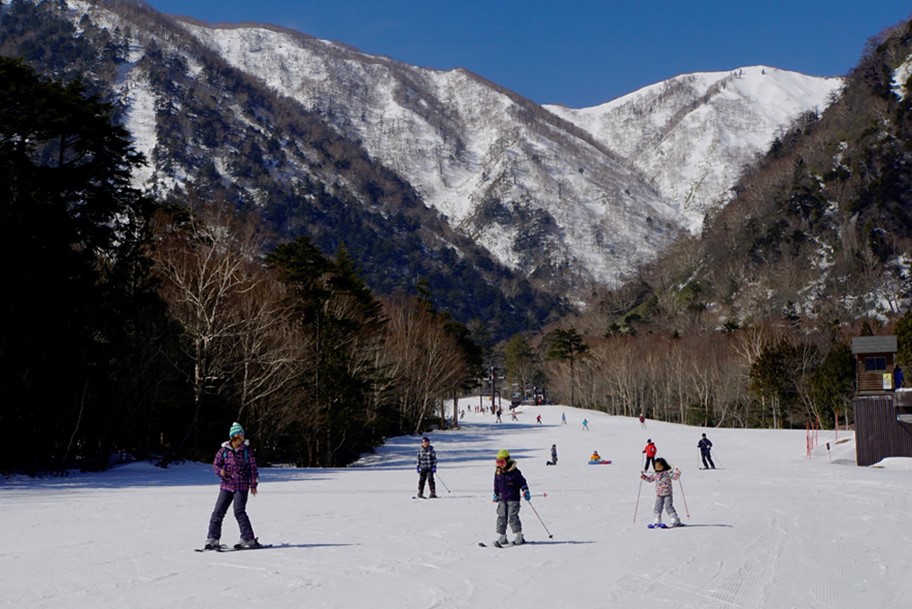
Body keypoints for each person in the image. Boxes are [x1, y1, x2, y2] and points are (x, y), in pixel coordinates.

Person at [205, 422, 260, 550]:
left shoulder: (247, 452)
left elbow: (253, 469)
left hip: (241, 486)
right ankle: (212, 539)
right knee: (218, 512)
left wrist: (253, 485)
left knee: (239, 512)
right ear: (232, 436)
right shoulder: (224, 451)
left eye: (241, 435)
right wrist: (220, 472)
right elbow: (216, 465)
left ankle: (248, 538)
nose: (240, 437)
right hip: (226, 486)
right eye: (237, 435)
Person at [492, 449, 531, 546]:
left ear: (507, 461)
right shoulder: (498, 472)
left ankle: (518, 536)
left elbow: (522, 482)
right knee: (501, 517)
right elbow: (496, 484)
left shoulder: (514, 472)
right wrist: (495, 494)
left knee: (512, 517)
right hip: (502, 499)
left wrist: (525, 490)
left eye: (502, 462)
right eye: (498, 462)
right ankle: (502, 536)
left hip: (513, 499)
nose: (499, 464)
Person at [640, 457, 682, 527]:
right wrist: (643, 476)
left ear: (663, 466)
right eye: (656, 466)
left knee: (668, 506)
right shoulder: (655, 474)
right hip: (659, 494)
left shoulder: (667, 473)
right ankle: (657, 519)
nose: (658, 468)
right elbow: (650, 479)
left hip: (667, 494)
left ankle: (674, 519)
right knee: (657, 507)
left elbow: (675, 477)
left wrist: (677, 473)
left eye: (659, 466)